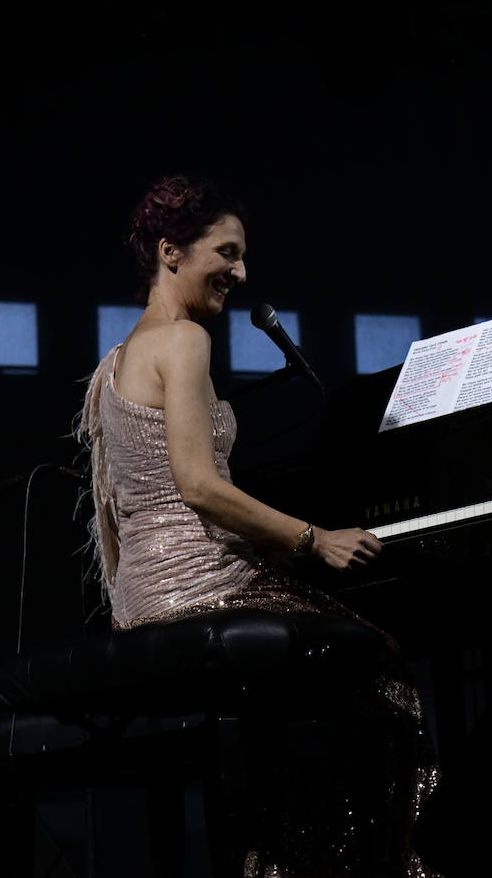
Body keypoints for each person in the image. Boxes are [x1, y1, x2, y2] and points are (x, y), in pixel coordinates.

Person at [77, 174, 437, 876]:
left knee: (322, 680)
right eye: (228, 253)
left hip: (145, 594)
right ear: (170, 252)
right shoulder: (182, 342)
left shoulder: (120, 357)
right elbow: (200, 486)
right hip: (195, 587)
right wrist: (314, 538)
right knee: (381, 661)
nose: (242, 273)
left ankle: (281, 855)